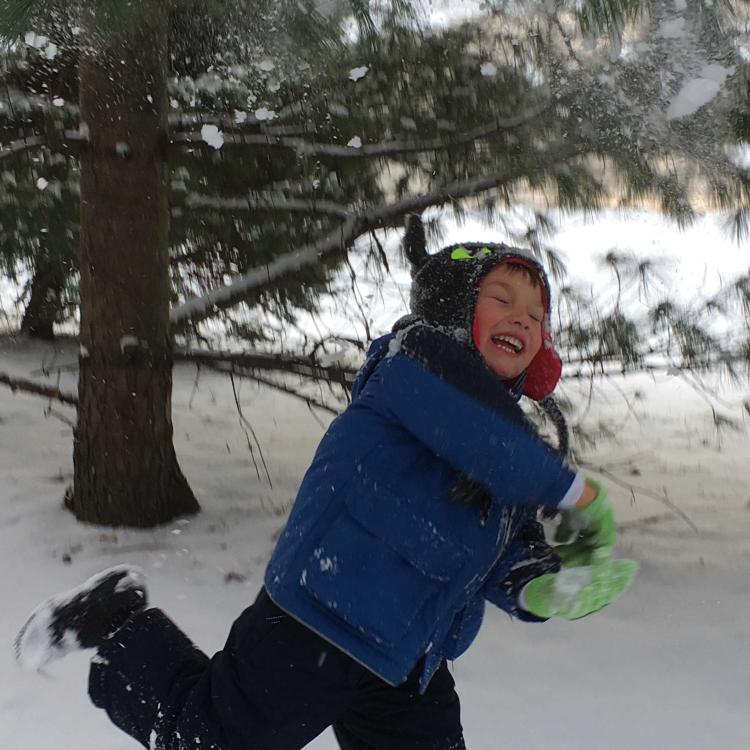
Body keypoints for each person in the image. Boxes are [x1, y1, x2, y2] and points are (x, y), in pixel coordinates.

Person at [15, 229, 638, 750]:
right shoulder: (412, 367)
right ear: (453, 309)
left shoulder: (510, 448)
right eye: (502, 299)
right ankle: (121, 623)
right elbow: (479, 437)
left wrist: (545, 585)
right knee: (205, 739)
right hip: (316, 624)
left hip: (407, 662)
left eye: (535, 316)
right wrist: (573, 493)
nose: (522, 320)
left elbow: (503, 539)